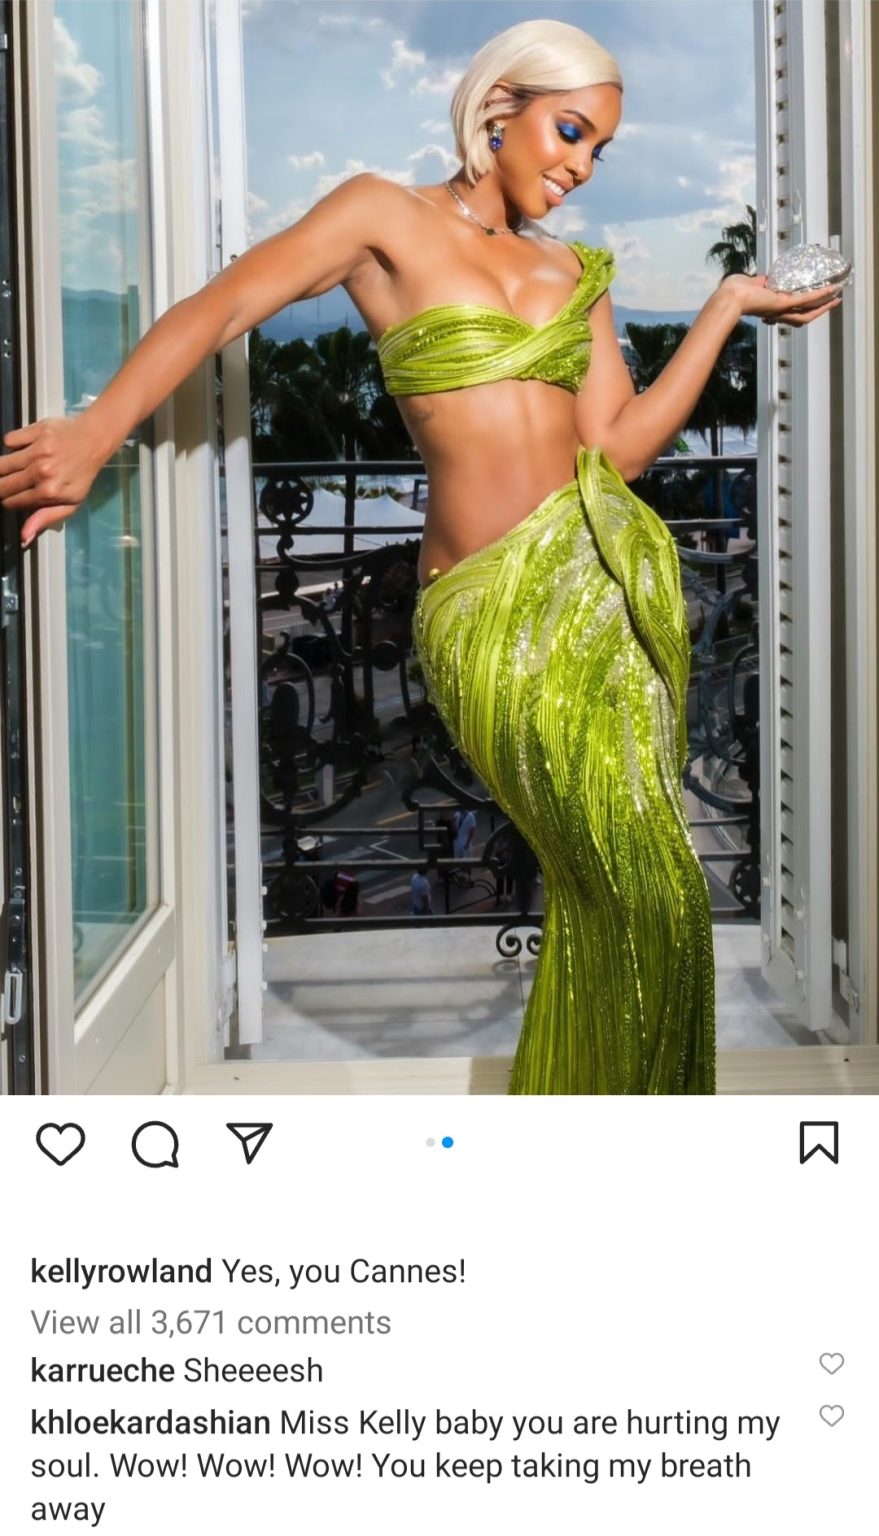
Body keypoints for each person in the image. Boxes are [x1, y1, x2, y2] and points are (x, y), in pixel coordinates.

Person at [0, 20, 843, 1094]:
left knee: (646, 895)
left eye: (599, 149)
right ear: (499, 109)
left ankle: (609, 1139)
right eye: (570, 131)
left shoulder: (576, 269)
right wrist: (95, 432)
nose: (581, 166)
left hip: (595, 593)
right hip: (486, 614)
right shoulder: (380, 216)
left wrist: (726, 308)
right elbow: (223, 306)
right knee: (640, 888)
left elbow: (620, 451)